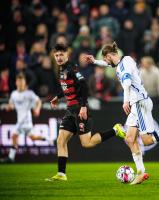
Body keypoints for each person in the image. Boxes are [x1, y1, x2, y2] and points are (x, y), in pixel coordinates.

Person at [84, 43, 159, 185]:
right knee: (130, 139)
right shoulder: (125, 60)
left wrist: (125, 102)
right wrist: (95, 61)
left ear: (109, 56)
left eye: (105, 60)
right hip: (137, 104)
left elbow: (127, 83)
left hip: (139, 103)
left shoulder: (123, 66)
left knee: (147, 140)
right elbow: (110, 65)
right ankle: (141, 172)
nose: (106, 63)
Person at [45, 43, 125, 181]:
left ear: (67, 54)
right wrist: (57, 97)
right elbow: (67, 87)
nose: (58, 57)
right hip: (70, 110)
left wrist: (83, 106)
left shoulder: (71, 68)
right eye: (56, 55)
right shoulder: (61, 69)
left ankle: (115, 130)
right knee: (61, 140)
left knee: (86, 143)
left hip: (79, 108)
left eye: (61, 55)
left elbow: (83, 85)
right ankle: (61, 174)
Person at [0, 73, 45, 163]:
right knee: (33, 138)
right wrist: (8, 107)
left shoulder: (29, 93)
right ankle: (47, 139)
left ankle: (11, 157)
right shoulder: (14, 94)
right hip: (20, 120)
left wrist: (37, 109)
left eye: (22, 81)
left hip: (26, 120)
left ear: (25, 82)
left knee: (14, 135)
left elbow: (39, 101)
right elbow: (11, 105)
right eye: (19, 81)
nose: (20, 83)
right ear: (16, 82)